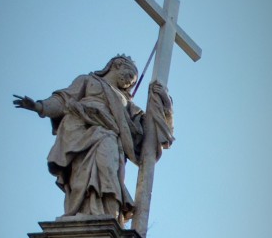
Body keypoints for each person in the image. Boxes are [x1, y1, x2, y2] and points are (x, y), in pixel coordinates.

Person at [13, 55, 174, 225]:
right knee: (81, 174)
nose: (129, 83)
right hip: (80, 130)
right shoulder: (88, 80)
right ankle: (82, 211)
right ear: (117, 65)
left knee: (107, 168)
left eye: (132, 82)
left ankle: (108, 212)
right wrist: (40, 106)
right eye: (129, 76)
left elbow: (145, 128)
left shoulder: (125, 102)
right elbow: (63, 100)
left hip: (108, 135)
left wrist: (161, 105)